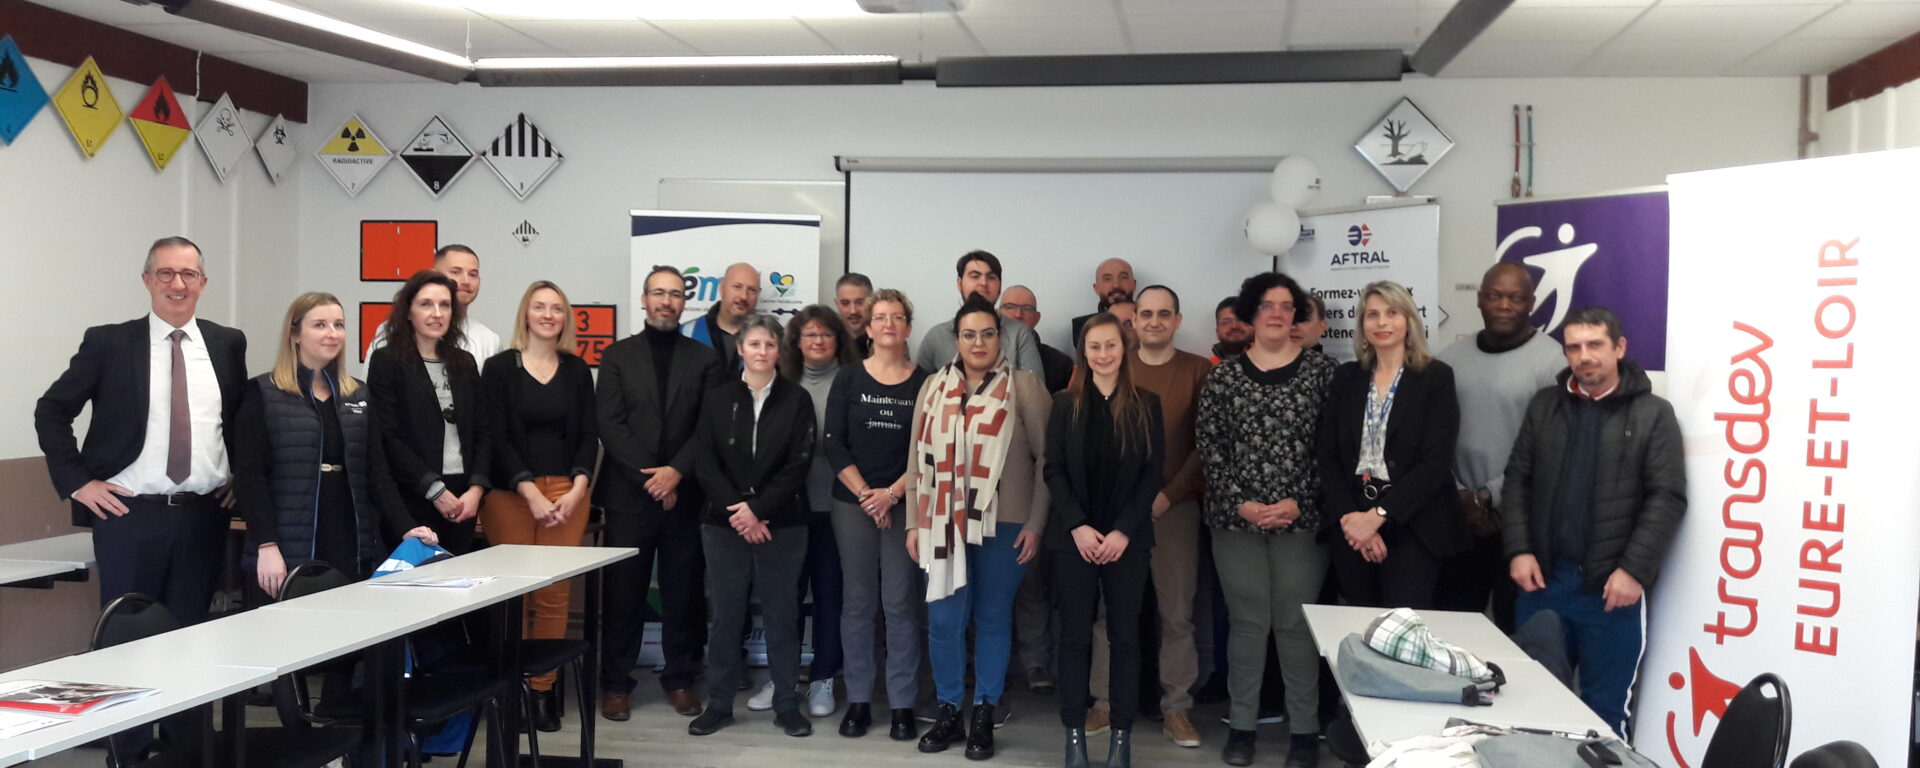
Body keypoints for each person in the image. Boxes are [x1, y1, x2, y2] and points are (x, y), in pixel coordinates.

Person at [36, 236, 247, 628]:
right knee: (128, 637)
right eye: (165, 273)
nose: (177, 284)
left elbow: (237, 419)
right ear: (147, 279)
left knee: (192, 637)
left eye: (188, 274)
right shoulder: (109, 343)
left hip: (204, 516)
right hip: (128, 517)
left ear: (203, 282)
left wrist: (240, 474)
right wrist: (78, 482)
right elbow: (51, 410)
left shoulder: (226, 344)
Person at [1503, 306, 1685, 737]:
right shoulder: (1545, 406)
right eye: (1574, 347)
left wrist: (1633, 571)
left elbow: (1668, 497)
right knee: (1534, 711)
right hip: (1543, 586)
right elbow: (1517, 480)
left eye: (1595, 345)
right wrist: (1518, 549)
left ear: (1619, 347)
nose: (1585, 356)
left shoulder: (1654, 414)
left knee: (1603, 719)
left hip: (1611, 593)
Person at [1197, 272, 1336, 768]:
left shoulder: (1324, 374)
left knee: (1296, 626)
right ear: (1251, 314)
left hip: (1303, 521)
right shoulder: (1224, 377)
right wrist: (1241, 502)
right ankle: (1243, 726)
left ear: (1295, 316)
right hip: (1236, 523)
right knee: (1249, 624)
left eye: (1286, 306)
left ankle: (1304, 731)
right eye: (1267, 305)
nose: (1277, 314)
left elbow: (1333, 451)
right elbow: (1210, 449)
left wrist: (1300, 500)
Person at [906, 296, 1051, 760]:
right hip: (941, 522)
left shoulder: (1025, 386)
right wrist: (913, 522)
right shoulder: (932, 386)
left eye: (988, 333)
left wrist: (1036, 522)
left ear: (1001, 337)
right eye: (969, 334)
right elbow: (915, 458)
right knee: (945, 621)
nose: (979, 342)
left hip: (1007, 521)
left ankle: (985, 711)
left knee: (991, 618)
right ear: (956, 340)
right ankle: (949, 709)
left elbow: (1050, 461)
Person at [235, 292, 438, 602]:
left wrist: (406, 527)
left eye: (339, 325)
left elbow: (377, 474)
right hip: (284, 546)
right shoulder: (263, 392)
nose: (332, 334)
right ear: (295, 334)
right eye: (320, 325)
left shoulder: (357, 394)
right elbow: (251, 477)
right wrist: (266, 544)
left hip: (348, 538)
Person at [1077, 285, 1212, 748]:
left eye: (1164, 314)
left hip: (1173, 511)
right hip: (1113, 516)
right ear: (1132, 321)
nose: (1154, 321)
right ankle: (1104, 702)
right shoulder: (1113, 364)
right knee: (1107, 613)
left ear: (1177, 319)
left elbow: (1204, 445)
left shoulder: (1198, 370)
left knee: (1176, 613)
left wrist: (1167, 495)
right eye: (1145, 314)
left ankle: (1177, 709)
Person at [596, 265, 724, 721]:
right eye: (658, 293)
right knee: (623, 594)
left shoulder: (705, 360)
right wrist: (652, 479)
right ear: (645, 299)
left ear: (683, 301)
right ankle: (615, 683)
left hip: (686, 497)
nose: (666, 301)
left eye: (674, 293)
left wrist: (676, 474)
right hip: (630, 496)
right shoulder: (616, 356)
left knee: (683, 593)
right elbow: (610, 426)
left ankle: (681, 679)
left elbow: (707, 427)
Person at [687, 316, 819, 739]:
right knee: (726, 616)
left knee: (782, 616)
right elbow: (705, 462)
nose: (762, 351)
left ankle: (786, 704)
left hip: (782, 523)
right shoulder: (717, 397)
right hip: (724, 525)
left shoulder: (797, 400)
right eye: (754, 344)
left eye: (770, 345)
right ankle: (720, 704)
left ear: (780, 352)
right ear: (740, 349)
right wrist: (739, 512)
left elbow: (798, 464)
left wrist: (758, 510)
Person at [479, 281, 598, 732]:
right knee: (514, 596)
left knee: (553, 598)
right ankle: (510, 691)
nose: (548, 315)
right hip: (510, 495)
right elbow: (495, 437)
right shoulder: (499, 369)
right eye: (539, 307)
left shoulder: (576, 370)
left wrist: (578, 489)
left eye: (557, 308)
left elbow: (589, 434)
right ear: (525, 314)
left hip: (567, 495)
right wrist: (528, 489)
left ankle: (542, 691)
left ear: (565, 318)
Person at [1046, 312, 1165, 768]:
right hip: (1073, 538)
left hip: (1126, 540)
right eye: (1094, 347)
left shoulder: (1145, 403)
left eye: (1110, 345)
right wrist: (1077, 525)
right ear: (1084, 353)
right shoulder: (1064, 404)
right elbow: (1052, 470)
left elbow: (1152, 474)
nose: (1103, 354)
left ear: (1124, 348)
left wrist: (1122, 531)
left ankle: (1121, 738)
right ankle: (1073, 736)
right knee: (1074, 637)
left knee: (1125, 639)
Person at [1316, 281, 1465, 610]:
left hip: (1414, 525)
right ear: (1362, 325)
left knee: (1403, 630)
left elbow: (1435, 462)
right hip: (1352, 525)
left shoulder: (1435, 377)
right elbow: (1328, 457)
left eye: (1392, 313)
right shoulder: (1346, 378)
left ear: (1409, 321)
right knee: (1357, 627)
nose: (1382, 322)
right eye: (1373, 315)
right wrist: (1354, 520)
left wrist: (1379, 517)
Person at [824, 289, 930, 741]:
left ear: (908, 328)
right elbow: (833, 442)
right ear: (867, 328)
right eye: (880, 318)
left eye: (897, 317)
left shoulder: (926, 382)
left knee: (901, 605)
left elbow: (929, 448)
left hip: (905, 505)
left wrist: (892, 495)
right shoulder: (848, 379)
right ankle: (860, 701)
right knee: (858, 604)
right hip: (853, 504)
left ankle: (903, 704)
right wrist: (870, 495)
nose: (888, 324)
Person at [1436, 263, 1563, 630]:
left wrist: (1489, 496)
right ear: (1479, 300)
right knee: (1453, 628)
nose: (1504, 305)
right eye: (1495, 296)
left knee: (1513, 632)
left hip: (1519, 522)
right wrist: (1462, 496)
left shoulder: (1553, 362)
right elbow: (1431, 440)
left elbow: (1549, 450)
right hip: (1457, 518)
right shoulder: (1449, 360)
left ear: (1531, 303)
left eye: (1515, 297)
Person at [769, 305, 859, 718]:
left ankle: (824, 677)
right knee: (784, 597)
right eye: (810, 335)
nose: (818, 341)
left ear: (839, 341)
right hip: (789, 509)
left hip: (838, 508)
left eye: (826, 335)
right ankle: (782, 679)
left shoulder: (853, 381)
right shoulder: (780, 383)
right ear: (796, 342)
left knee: (830, 597)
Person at [363, 244, 499, 375]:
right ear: (434, 274)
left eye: (473, 274)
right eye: (456, 272)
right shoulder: (394, 331)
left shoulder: (490, 340)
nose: (465, 281)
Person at [914, 251, 1045, 375]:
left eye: (991, 277)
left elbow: (1034, 390)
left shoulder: (1019, 333)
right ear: (959, 283)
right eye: (975, 276)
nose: (983, 283)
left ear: (1000, 286)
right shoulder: (936, 337)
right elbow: (919, 391)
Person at [682, 261, 761, 372]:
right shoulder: (687, 332)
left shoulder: (771, 339)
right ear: (722, 288)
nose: (744, 296)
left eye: (752, 290)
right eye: (737, 287)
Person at [1000, 285, 1072, 394]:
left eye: (1027, 309)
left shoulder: (1061, 364)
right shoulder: (983, 356)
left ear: (1037, 318)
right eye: (1010, 307)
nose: (1018, 314)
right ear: (998, 314)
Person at [1068, 258, 1137, 349]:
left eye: (1123, 277)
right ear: (1096, 288)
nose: (1116, 285)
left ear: (1134, 284)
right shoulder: (1082, 326)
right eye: (1107, 279)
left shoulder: (1150, 322)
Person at [836, 273, 875, 358]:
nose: (853, 311)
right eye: (845, 303)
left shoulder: (885, 341)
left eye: (860, 302)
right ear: (837, 304)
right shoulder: (827, 343)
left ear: (872, 303)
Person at [1210, 297, 1251, 364]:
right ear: (1217, 332)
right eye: (1226, 322)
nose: (1234, 326)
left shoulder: (1270, 363)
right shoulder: (1208, 367)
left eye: (1241, 320)